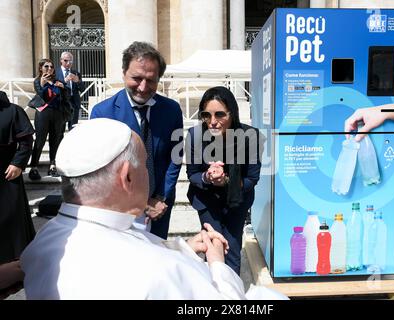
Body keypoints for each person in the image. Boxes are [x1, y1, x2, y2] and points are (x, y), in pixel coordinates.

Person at [20, 118, 287, 300]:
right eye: (145, 165)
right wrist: (217, 262)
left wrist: (183, 247)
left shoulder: (45, 240)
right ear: (127, 177)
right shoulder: (158, 271)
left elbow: (121, 245)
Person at [90, 41, 183, 240]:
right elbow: (102, 168)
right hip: (119, 209)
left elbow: (175, 156)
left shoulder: (172, 110)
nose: (143, 87)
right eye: (136, 78)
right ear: (124, 73)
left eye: (151, 80)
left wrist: (160, 197)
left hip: (159, 205)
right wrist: (134, 203)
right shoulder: (102, 113)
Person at [186, 86, 264, 275]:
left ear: (232, 113)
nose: (213, 122)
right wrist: (208, 177)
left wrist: (227, 181)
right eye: (206, 115)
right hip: (206, 199)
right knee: (213, 245)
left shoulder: (251, 136)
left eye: (220, 115)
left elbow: (252, 178)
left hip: (237, 201)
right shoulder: (194, 135)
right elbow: (193, 173)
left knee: (233, 248)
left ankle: (232, 295)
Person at [0, 91, 35, 288]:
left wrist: (18, 163)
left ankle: (16, 265)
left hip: (7, 175)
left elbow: (25, 141)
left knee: (11, 221)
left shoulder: (13, 111)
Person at [28, 58, 71, 180]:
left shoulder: (58, 80)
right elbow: (42, 95)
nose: (49, 69)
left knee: (55, 140)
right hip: (43, 113)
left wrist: (63, 87)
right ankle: (34, 167)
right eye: (46, 67)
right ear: (41, 68)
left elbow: (67, 97)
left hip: (57, 114)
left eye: (51, 67)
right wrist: (42, 83)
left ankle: (53, 165)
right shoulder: (38, 81)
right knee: (40, 140)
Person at [55, 52, 85, 131]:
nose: (68, 63)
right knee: (60, 129)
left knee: (73, 129)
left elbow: (82, 89)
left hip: (74, 102)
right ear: (61, 60)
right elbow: (53, 87)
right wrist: (64, 81)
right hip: (61, 102)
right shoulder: (55, 73)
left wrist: (78, 81)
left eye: (70, 61)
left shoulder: (76, 73)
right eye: (66, 61)